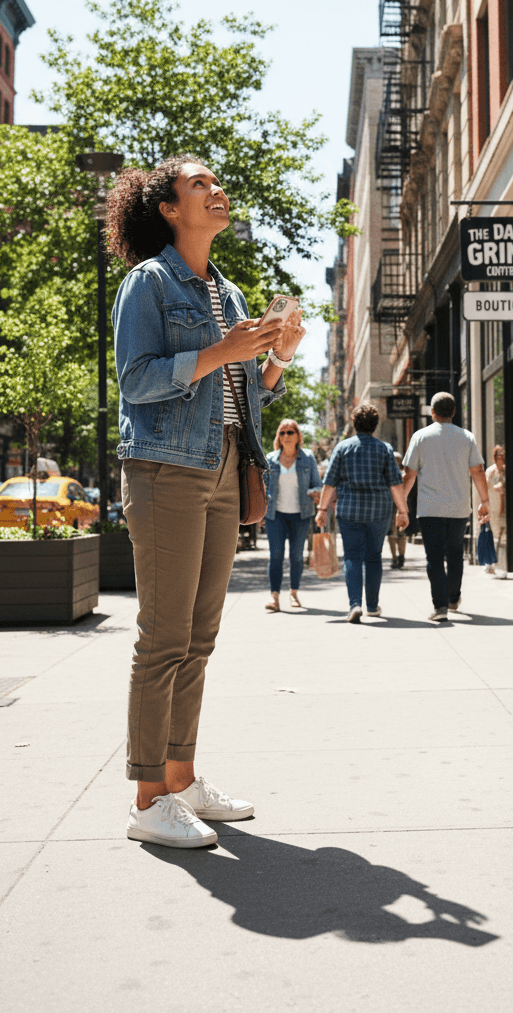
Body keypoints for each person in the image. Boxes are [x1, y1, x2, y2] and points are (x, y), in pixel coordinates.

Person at [109, 155, 305, 849]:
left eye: (216, 183)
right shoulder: (150, 284)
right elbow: (134, 381)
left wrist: (275, 358)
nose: (216, 190)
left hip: (224, 467)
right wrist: (223, 351)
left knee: (200, 637)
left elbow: (245, 394)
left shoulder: (226, 289)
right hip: (165, 468)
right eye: (199, 185)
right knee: (162, 637)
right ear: (168, 208)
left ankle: (182, 779)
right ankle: (145, 798)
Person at [314, 404, 409, 622]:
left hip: (349, 511)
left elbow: (330, 482)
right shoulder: (384, 449)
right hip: (379, 511)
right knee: (374, 557)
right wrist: (403, 511)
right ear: (375, 425)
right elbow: (395, 484)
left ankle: (355, 605)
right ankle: (373, 606)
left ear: (355, 423)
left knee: (352, 557)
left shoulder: (342, 448)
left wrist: (322, 509)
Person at [401, 392, 490, 622]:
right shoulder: (467, 437)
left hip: (430, 510)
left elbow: (409, 475)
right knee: (455, 554)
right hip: (459, 509)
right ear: (453, 412)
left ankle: (440, 607)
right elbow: (478, 470)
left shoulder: (420, 437)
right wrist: (485, 500)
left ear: (432, 413)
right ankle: (453, 598)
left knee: (434, 558)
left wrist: (401, 507)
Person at [264, 420, 322, 611]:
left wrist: (314, 493)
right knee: (276, 556)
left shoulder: (308, 458)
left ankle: (294, 593)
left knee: (297, 556)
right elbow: (261, 488)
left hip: (301, 515)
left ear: (298, 436)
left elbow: (317, 484)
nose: (286, 436)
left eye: (290, 432)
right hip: (275, 515)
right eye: (282, 433)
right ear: (278, 437)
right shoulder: (270, 459)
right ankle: (275, 597)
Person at [484, 445, 506, 577]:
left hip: (505, 509)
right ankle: (490, 564)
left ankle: (501, 563)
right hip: (494, 506)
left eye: (502, 457)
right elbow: (486, 487)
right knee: (493, 534)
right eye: (498, 457)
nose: (500, 459)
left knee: (503, 535)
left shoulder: (506, 471)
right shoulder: (491, 471)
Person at [387, 451, 408, 568]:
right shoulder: (387, 474)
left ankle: (401, 557)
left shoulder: (405, 474)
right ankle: (394, 557)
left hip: (402, 507)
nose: (396, 462)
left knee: (402, 533)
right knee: (392, 534)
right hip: (391, 507)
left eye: (398, 459)